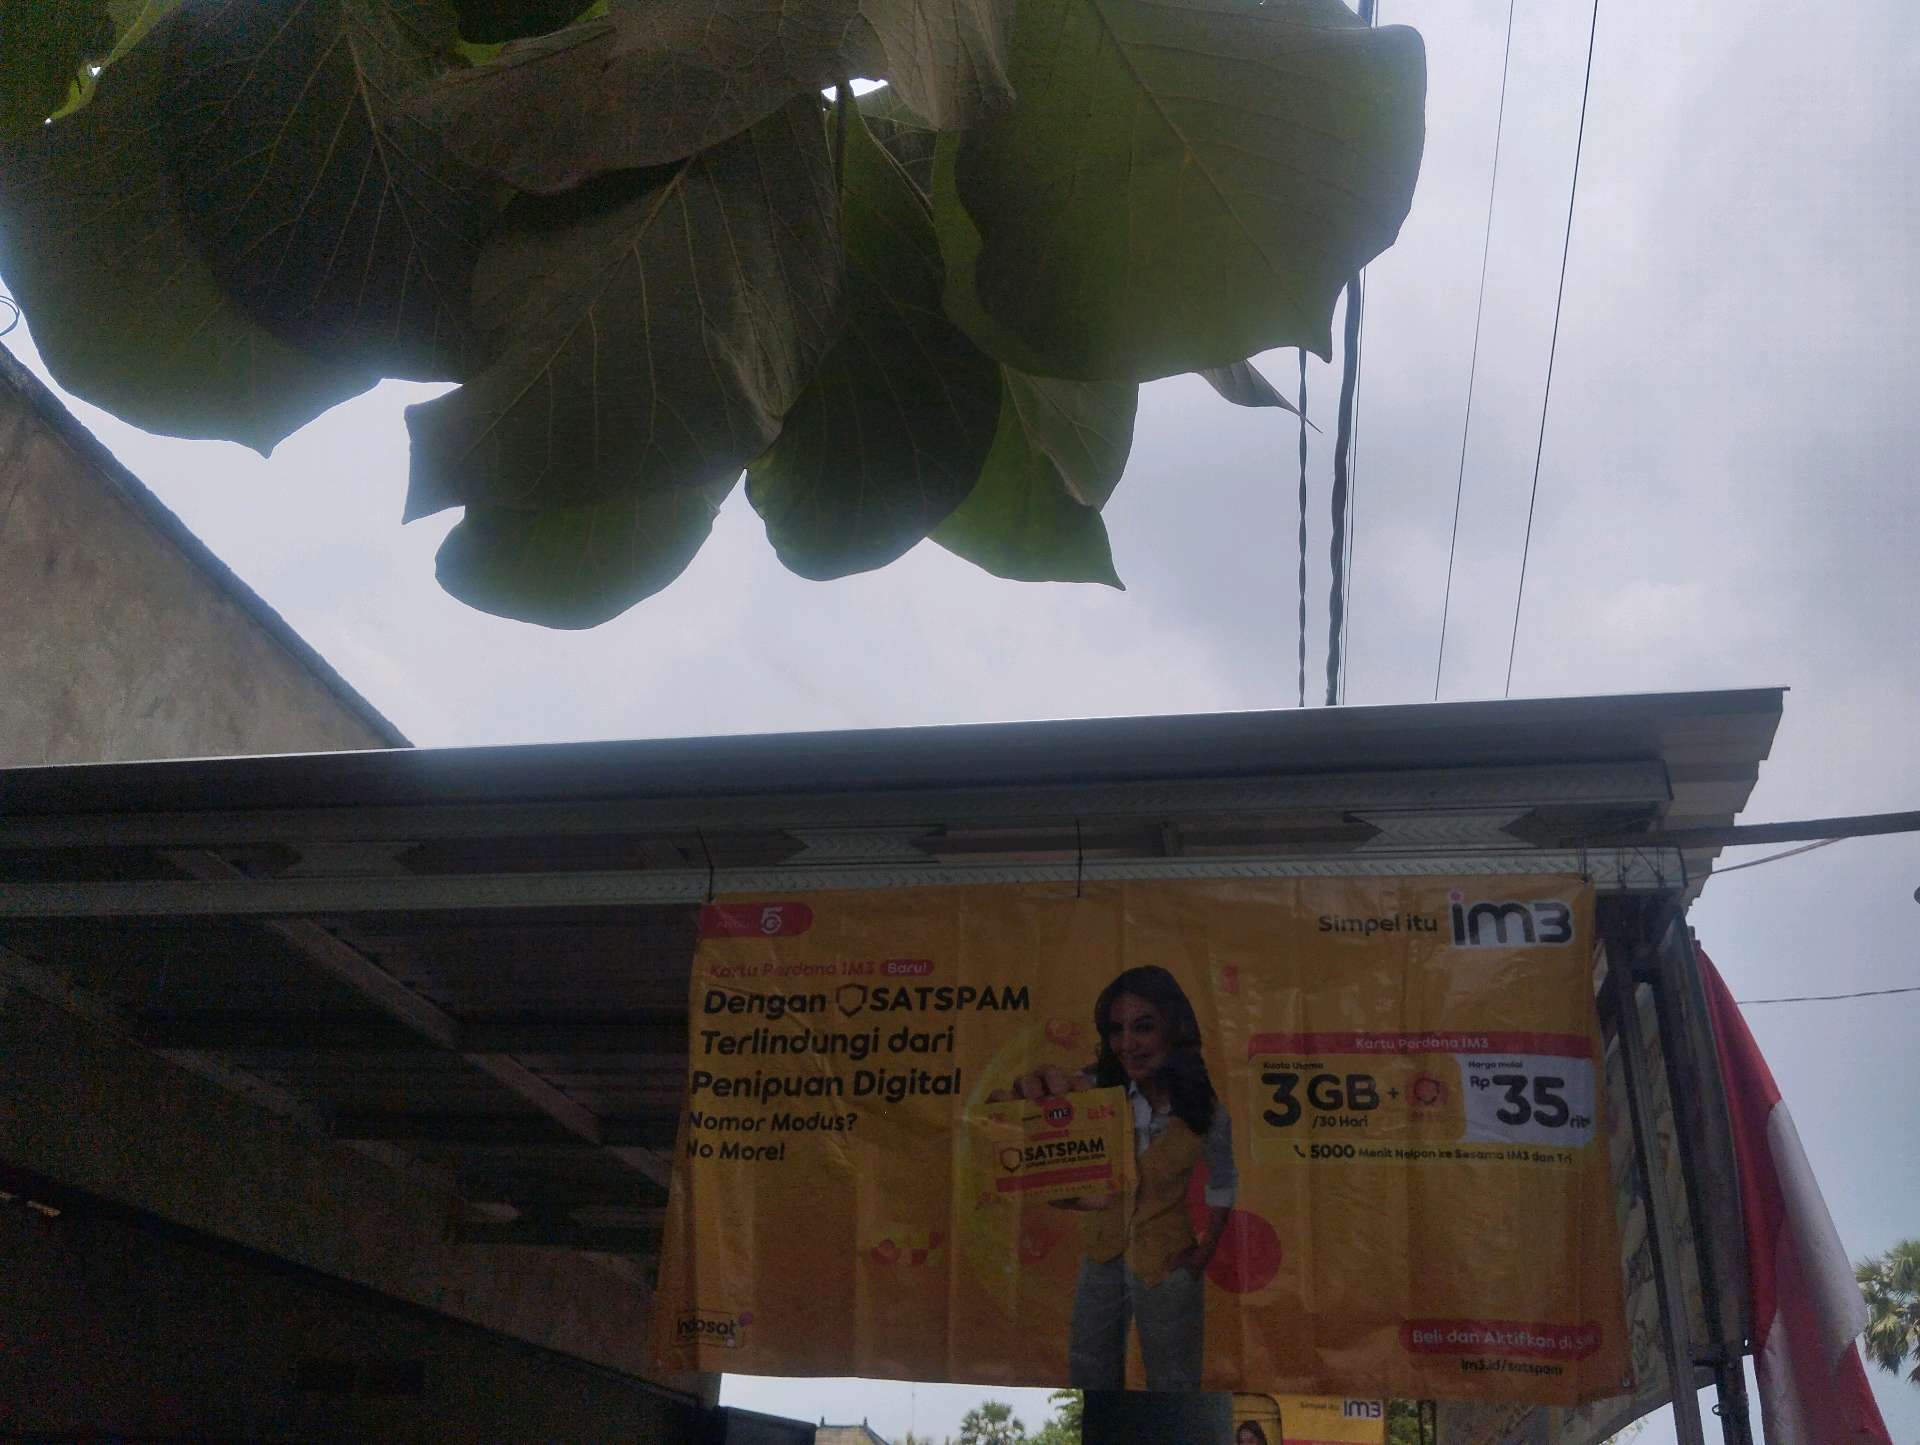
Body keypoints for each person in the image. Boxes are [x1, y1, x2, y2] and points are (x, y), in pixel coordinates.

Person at [992, 964, 1236, 1390]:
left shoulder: (1207, 1112)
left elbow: (1223, 1181)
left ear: (1175, 1027)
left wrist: (1202, 1255)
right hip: (1102, 1256)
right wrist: (1025, 1116)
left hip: (1167, 1262)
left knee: (1173, 1380)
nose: (1127, 1044)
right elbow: (1040, 1140)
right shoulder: (1090, 1091)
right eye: (1115, 1030)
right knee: (1089, 1371)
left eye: (1143, 1027)